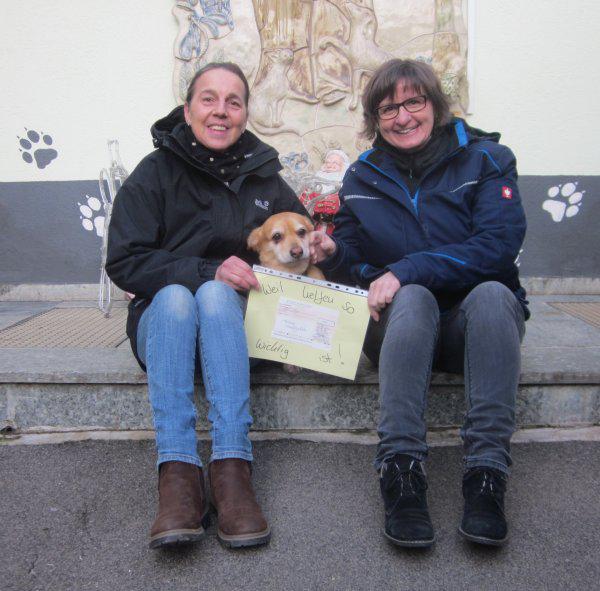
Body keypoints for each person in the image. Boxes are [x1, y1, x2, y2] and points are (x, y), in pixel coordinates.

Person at [310, 59, 528, 548]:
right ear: (374, 118)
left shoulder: (488, 160)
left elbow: (497, 247)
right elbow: (353, 262)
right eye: (388, 108)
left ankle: (487, 474)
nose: (402, 116)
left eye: (414, 102)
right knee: (412, 299)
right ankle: (402, 472)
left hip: (473, 328)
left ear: (435, 105)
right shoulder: (360, 177)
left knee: (493, 294)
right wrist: (335, 252)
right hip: (399, 329)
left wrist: (406, 269)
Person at [106, 62, 308, 550]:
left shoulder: (266, 178)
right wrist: (204, 270)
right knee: (179, 296)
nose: (221, 111)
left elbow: (299, 239)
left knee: (218, 295)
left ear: (244, 112)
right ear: (189, 106)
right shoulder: (153, 173)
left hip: (235, 332)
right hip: (165, 327)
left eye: (234, 101)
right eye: (209, 99)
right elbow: (124, 260)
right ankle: (177, 473)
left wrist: (319, 247)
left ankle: (232, 470)